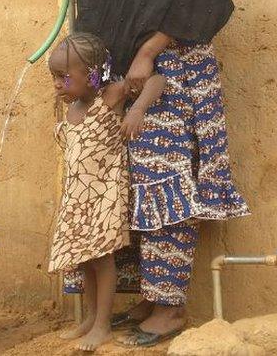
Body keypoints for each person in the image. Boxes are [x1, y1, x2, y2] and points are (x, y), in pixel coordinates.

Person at [57, 0, 250, 347]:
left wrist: (145, 50)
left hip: (174, 74)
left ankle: (170, 309)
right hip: (132, 78)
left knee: (165, 184)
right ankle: (148, 295)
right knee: (132, 187)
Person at [47, 32, 165, 351]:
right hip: (78, 198)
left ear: (92, 75)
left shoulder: (110, 95)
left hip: (105, 196)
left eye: (63, 77)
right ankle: (89, 318)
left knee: (101, 258)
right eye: (54, 77)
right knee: (84, 259)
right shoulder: (72, 108)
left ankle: (103, 325)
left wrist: (137, 109)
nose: (57, 84)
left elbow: (156, 82)